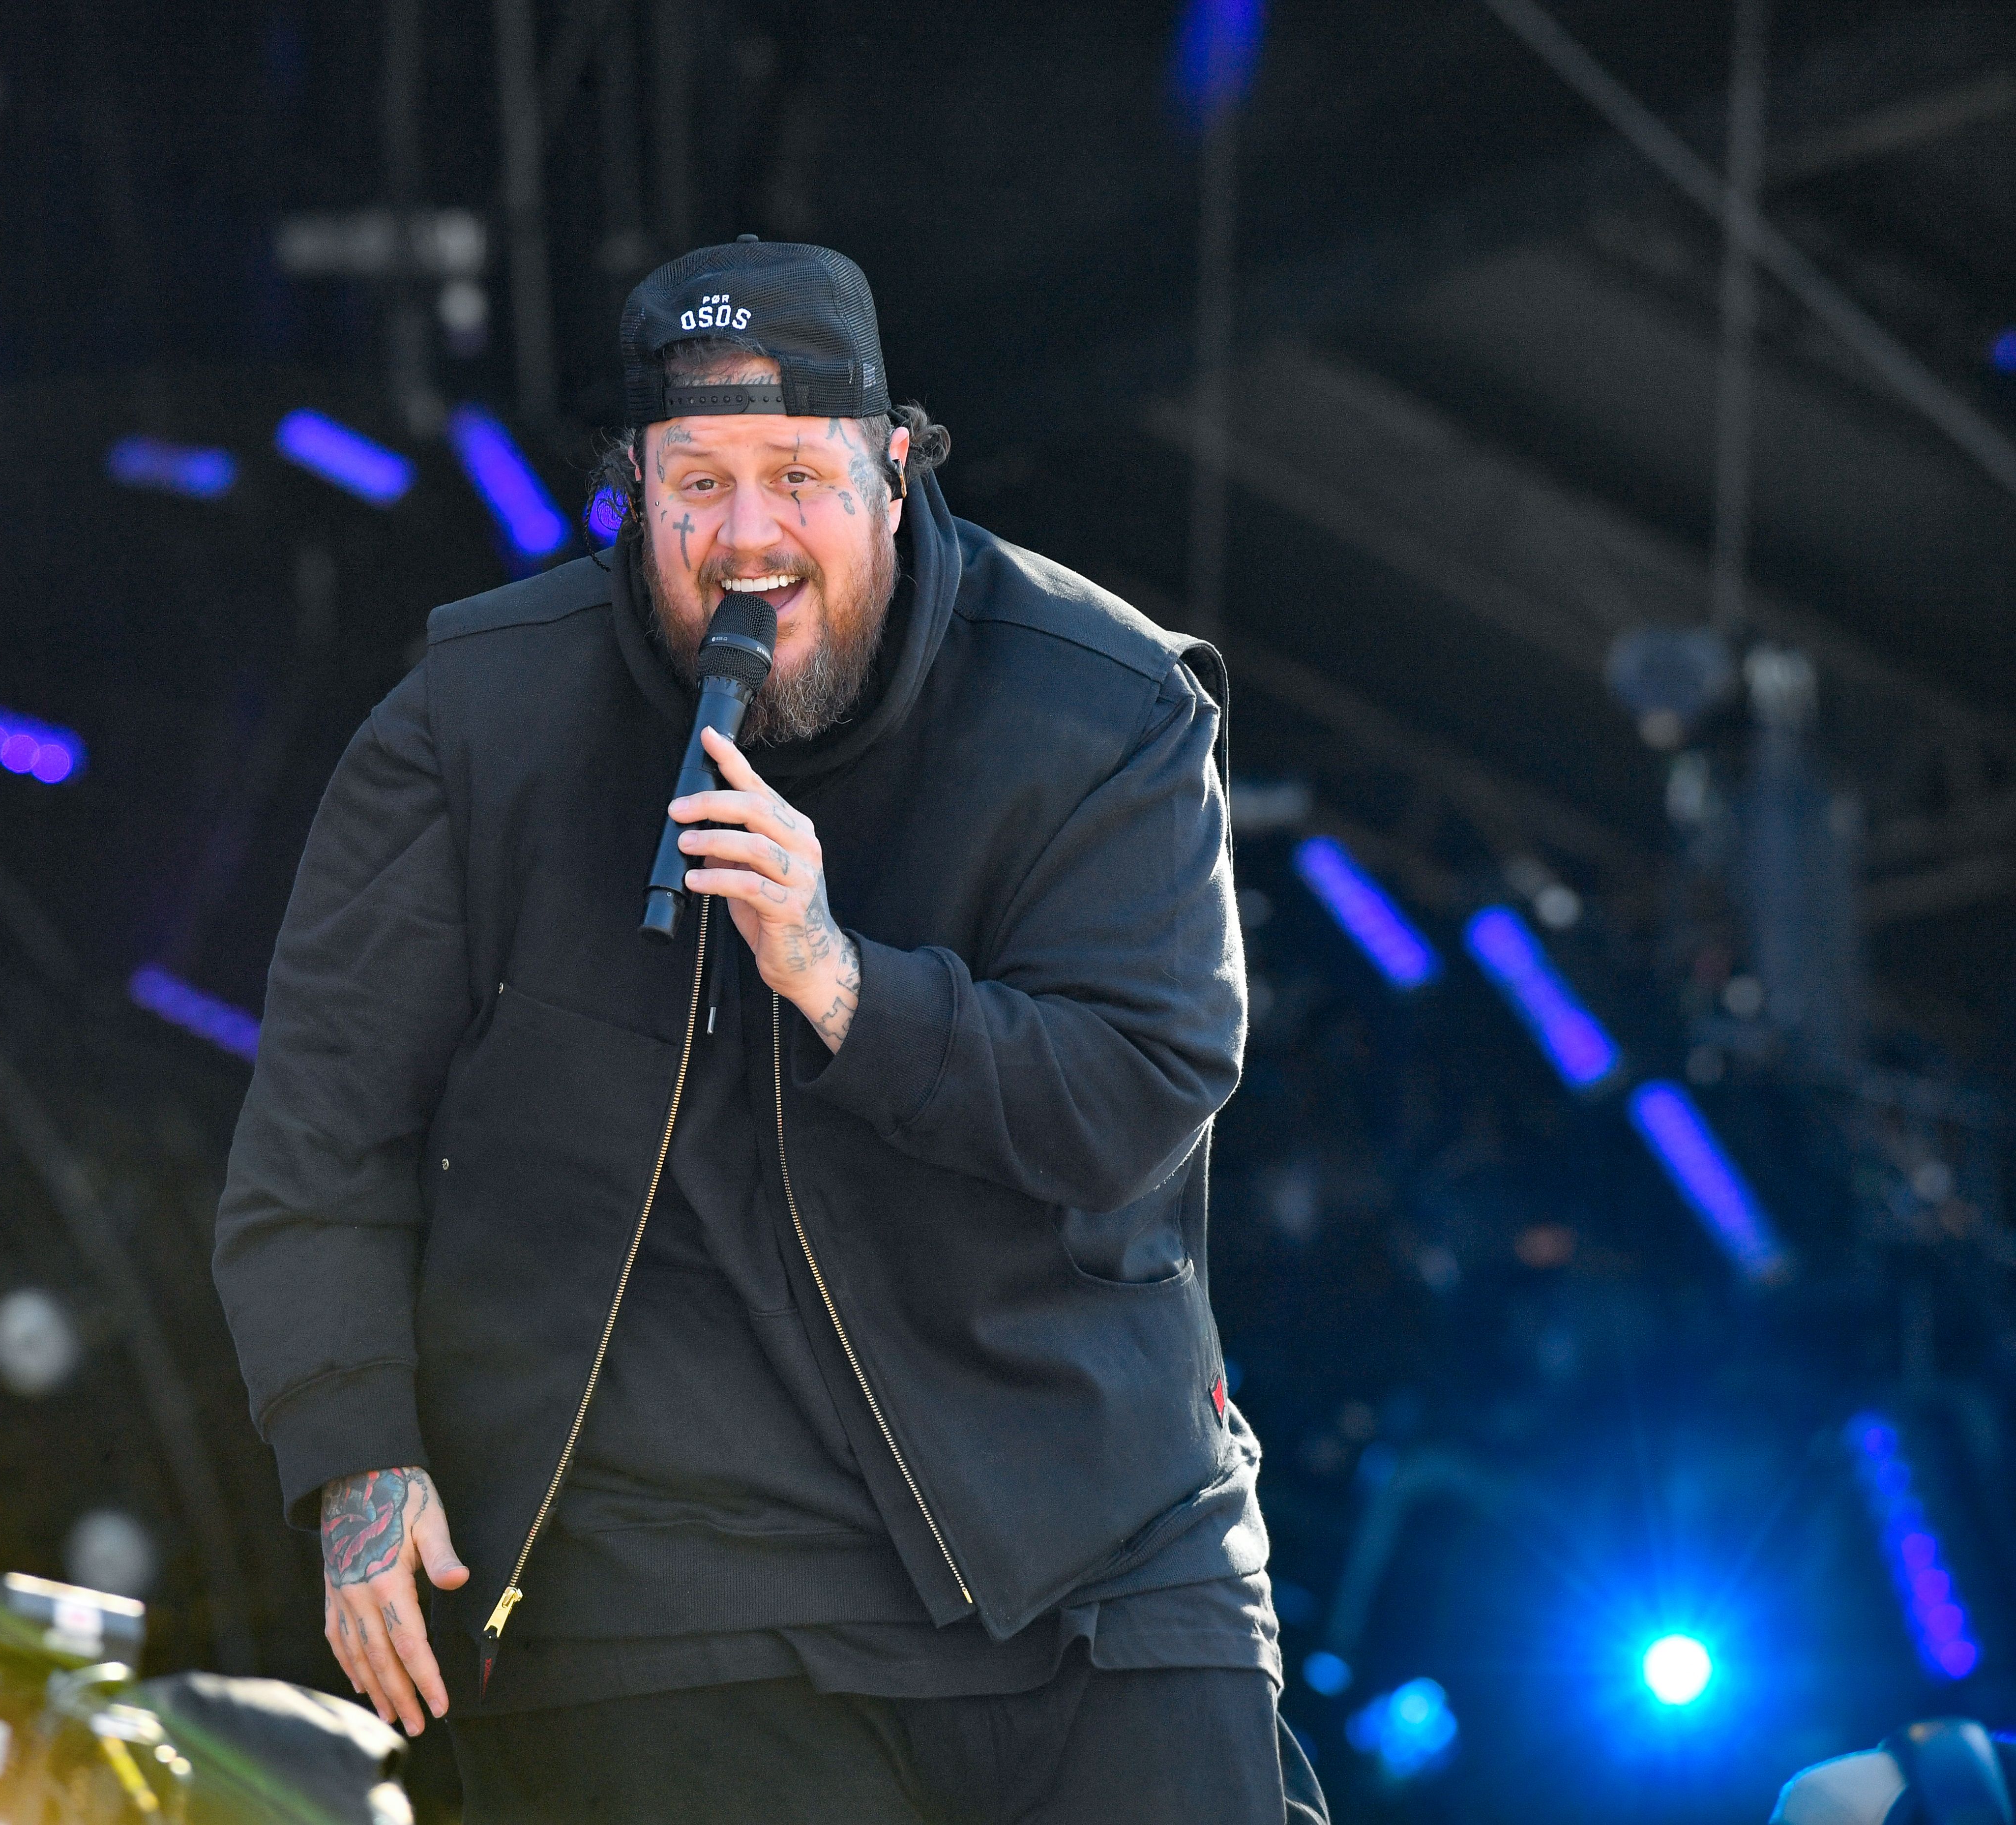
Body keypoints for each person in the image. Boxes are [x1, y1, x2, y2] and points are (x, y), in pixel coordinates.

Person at [214, 238, 1324, 1824]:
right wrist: (352, 1451)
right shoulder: (474, 726)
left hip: (1095, 1547)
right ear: (632, 493)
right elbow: (322, 1135)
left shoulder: (1103, 706)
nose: (748, 537)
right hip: (666, 1580)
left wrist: (844, 980)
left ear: (894, 468)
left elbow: (1137, 1093)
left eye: (797, 475)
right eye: (699, 482)